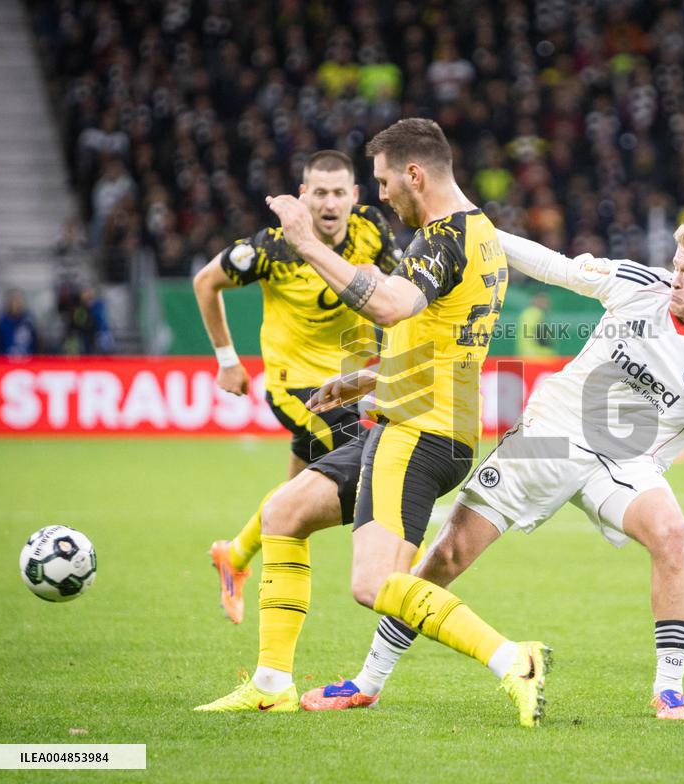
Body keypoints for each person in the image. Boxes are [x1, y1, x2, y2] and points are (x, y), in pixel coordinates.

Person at [303, 216, 684, 721]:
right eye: (676, 264)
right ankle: (368, 681)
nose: (674, 278)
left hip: (625, 461)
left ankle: (669, 688)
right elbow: (554, 267)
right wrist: (477, 234)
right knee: (447, 554)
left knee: (671, 533)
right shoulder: (644, 286)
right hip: (551, 434)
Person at [195, 118, 551, 728]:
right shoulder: (480, 232)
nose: (380, 195)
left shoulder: (443, 240)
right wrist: (362, 380)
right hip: (411, 417)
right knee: (284, 512)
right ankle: (271, 683)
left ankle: (512, 659)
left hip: (421, 432)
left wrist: (305, 240)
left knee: (373, 584)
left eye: (384, 182)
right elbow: (440, 335)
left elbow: (389, 305)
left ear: (415, 174)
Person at [193, 150, 401, 624]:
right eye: (319, 193)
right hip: (299, 389)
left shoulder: (372, 228)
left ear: (354, 196)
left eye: (338, 193)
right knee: (374, 461)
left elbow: (394, 290)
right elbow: (205, 282)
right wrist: (227, 361)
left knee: (292, 496)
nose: (329, 203)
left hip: (348, 381)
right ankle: (397, 578)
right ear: (303, 197)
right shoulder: (272, 247)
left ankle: (236, 554)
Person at [0, 289, 38, 357]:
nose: (15, 304)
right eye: (13, 300)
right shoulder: (1, 321)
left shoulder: (29, 321)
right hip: (5, 361)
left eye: (18, 300)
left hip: (27, 361)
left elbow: (36, 344)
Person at [515, 291, 558, 356]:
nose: (546, 305)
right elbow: (543, 337)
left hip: (523, 354)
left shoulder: (525, 313)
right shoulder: (538, 314)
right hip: (537, 356)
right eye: (545, 302)